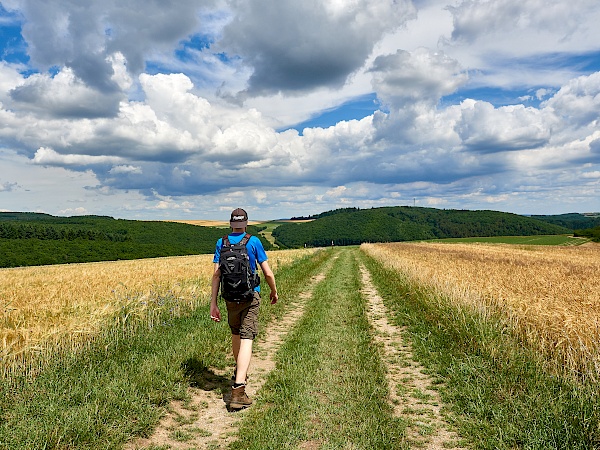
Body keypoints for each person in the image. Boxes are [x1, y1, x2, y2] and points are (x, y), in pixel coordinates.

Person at [210, 208, 278, 410]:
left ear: (230, 224)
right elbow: (267, 272)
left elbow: (216, 276)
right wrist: (273, 291)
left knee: (236, 333)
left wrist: (213, 303)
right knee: (247, 336)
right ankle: (239, 389)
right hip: (250, 296)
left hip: (229, 297)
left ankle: (240, 371)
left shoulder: (221, 243)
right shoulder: (253, 241)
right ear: (246, 223)